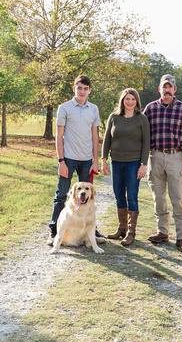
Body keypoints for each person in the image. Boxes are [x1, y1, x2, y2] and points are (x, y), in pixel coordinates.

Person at [47, 75, 104, 245]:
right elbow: (59, 135)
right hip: (68, 159)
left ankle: (91, 230)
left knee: (88, 196)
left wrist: (95, 160)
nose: (82, 91)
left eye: (86, 89)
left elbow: (95, 136)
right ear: (74, 88)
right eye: (79, 88)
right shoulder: (64, 108)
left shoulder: (93, 109)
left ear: (89, 91)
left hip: (86, 160)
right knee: (61, 195)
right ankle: (54, 230)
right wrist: (61, 161)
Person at [143, 74, 182, 253]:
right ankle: (162, 232)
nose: (166, 90)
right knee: (158, 196)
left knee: (178, 197)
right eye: (163, 87)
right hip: (155, 156)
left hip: (175, 157)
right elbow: (142, 135)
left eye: (169, 87)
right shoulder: (150, 108)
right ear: (159, 89)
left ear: (175, 89)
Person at [101, 88, 150, 246]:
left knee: (132, 197)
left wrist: (143, 164)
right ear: (122, 100)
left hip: (134, 163)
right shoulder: (113, 117)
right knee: (119, 195)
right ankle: (121, 228)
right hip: (116, 161)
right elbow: (107, 138)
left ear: (137, 102)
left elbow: (146, 143)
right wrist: (104, 160)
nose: (129, 102)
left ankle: (131, 232)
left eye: (133, 99)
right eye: (127, 99)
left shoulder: (141, 118)